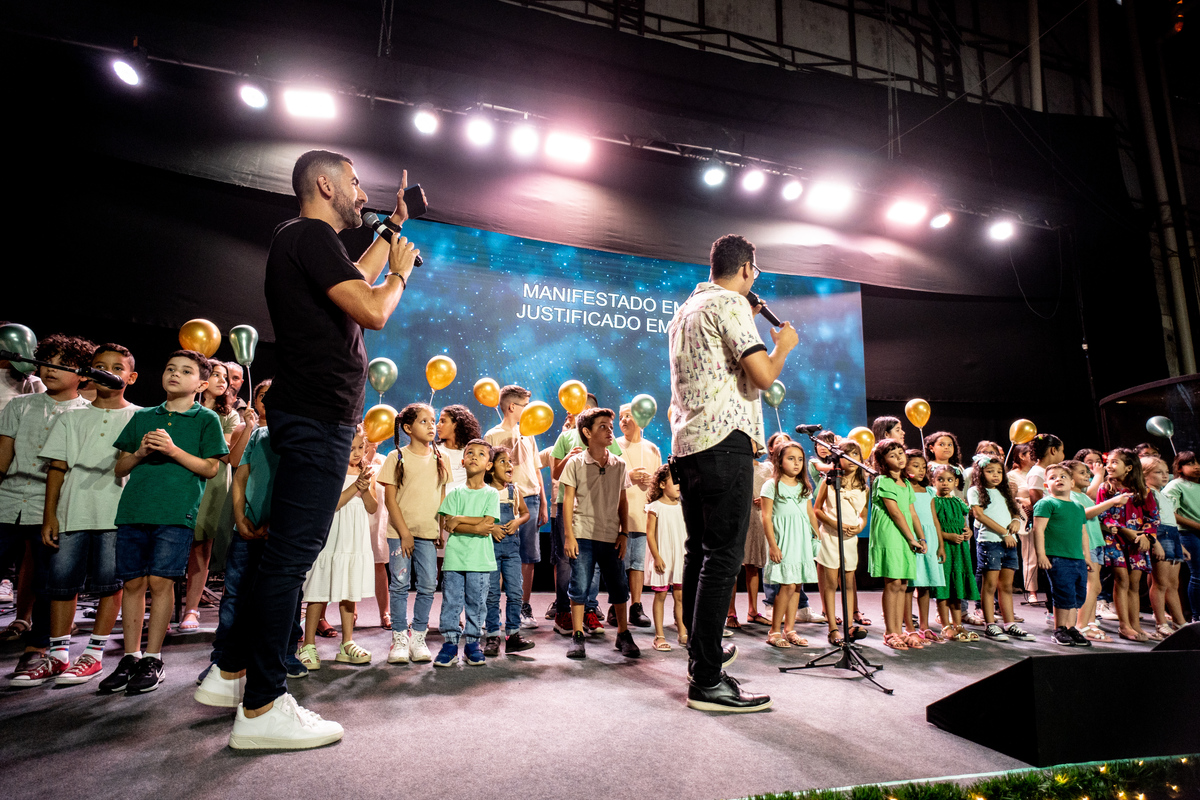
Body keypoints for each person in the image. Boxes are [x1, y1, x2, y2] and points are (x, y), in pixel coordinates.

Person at [196, 150, 419, 750]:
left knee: (281, 558)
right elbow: (373, 306)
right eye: (352, 181)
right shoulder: (310, 234)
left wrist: (394, 231)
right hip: (319, 418)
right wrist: (400, 272)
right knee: (292, 559)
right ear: (325, 183)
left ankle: (230, 672)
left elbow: (354, 279)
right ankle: (264, 704)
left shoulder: (305, 241)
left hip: (309, 412)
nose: (359, 191)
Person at [668, 233, 796, 713]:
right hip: (725, 444)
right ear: (746, 269)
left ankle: (702, 655)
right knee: (723, 557)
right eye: (754, 272)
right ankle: (706, 680)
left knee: (700, 554)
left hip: (690, 447)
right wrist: (783, 345)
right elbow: (763, 375)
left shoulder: (684, 311)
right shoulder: (731, 304)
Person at [99, 350, 228, 695]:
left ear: (200, 383)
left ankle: (153, 658)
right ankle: (131, 656)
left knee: (161, 582)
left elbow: (211, 468)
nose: (174, 374)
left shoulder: (205, 419)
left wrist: (172, 451)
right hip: (134, 511)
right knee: (132, 583)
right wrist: (140, 452)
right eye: (170, 368)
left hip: (175, 512)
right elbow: (121, 467)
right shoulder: (144, 417)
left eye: (185, 371)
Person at [33, 344, 139, 686]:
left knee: (111, 582)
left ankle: (93, 654)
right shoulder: (72, 417)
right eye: (99, 365)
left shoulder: (140, 416)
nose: (108, 371)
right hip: (73, 508)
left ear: (131, 377)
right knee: (61, 582)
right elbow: (57, 469)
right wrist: (50, 515)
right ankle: (58, 654)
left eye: (117, 367)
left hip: (117, 511)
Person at [196, 380, 309, 692]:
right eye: (263, 396)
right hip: (246, 530)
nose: (270, 400)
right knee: (236, 594)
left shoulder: (300, 438)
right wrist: (241, 517)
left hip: (284, 533)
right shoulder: (257, 435)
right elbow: (240, 475)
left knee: (289, 594)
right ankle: (224, 658)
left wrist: (279, 524)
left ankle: (286, 653)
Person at [0, 334, 92, 685]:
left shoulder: (85, 414)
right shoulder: (19, 406)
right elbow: (3, 459)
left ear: (82, 374)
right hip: (9, 498)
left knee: (46, 579)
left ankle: (38, 647)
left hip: (51, 505)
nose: (51, 369)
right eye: (47, 360)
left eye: (63, 364)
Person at [561, 407, 640, 660]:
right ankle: (577, 635)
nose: (609, 430)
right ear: (587, 432)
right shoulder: (575, 462)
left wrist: (624, 533)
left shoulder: (619, 464)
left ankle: (623, 633)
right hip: (583, 534)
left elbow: (623, 501)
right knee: (580, 585)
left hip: (610, 535)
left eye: (610, 426)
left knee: (618, 585)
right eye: (603, 426)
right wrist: (569, 535)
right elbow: (567, 500)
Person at [297, 426, 377, 669]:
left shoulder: (365, 471)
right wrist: (356, 487)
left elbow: (372, 508)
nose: (356, 453)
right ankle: (308, 644)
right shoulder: (331, 469)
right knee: (319, 589)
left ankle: (347, 642)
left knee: (349, 590)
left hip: (354, 536)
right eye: (350, 448)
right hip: (332, 533)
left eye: (360, 448)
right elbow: (332, 504)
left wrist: (364, 489)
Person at [380, 403, 449, 665]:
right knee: (399, 584)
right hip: (400, 534)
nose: (432, 426)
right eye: (424, 421)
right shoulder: (396, 457)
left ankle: (418, 636)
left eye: (433, 420)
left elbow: (441, 495)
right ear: (408, 428)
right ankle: (399, 637)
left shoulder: (440, 458)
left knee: (429, 584)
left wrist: (440, 528)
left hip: (428, 534)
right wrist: (405, 533)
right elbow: (390, 500)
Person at [179, 360, 241, 635]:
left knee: (202, 546)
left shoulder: (229, 415)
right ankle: (165, 604)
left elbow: (225, 452)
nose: (221, 381)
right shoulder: (181, 408)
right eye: (215, 375)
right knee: (173, 541)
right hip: (180, 477)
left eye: (225, 377)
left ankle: (191, 608)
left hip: (214, 481)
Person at [548, 394, 619, 634]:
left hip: (599, 510)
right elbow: (556, 473)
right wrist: (570, 457)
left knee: (594, 564)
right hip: (569, 508)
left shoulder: (608, 438)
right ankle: (563, 612)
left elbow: (616, 466)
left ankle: (590, 609)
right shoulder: (565, 436)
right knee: (567, 560)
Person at [434, 439, 502, 667]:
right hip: (454, 560)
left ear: (489, 465)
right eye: (470, 453)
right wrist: (475, 525)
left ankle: (472, 643)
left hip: (480, 561)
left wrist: (460, 518)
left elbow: (488, 524)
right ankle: (450, 643)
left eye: (481, 454)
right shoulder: (454, 493)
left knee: (477, 603)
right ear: (462, 461)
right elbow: (449, 525)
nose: (474, 456)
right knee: (451, 602)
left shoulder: (491, 493)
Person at [484, 385, 547, 630]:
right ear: (512, 407)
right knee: (500, 555)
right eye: (525, 406)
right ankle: (495, 608)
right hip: (503, 500)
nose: (528, 411)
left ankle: (523, 605)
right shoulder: (493, 435)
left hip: (529, 498)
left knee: (528, 556)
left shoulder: (528, 433)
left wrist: (542, 500)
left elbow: (535, 468)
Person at [967, 454, 1035, 643]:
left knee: (1005, 585)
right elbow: (979, 515)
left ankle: (1009, 623)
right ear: (981, 473)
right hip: (990, 541)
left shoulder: (1004, 492)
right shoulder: (975, 491)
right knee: (990, 585)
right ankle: (990, 624)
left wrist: (1014, 521)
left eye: (999, 472)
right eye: (990, 472)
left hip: (1009, 542)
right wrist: (1003, 533)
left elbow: (1014, 511)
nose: (995, 475)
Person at [868, 439, 926, 651]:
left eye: (901, 453)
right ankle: (890, 631)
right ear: (883, 461)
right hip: (891, 535)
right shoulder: (882, 481)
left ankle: (900, 630)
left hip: (906, 535)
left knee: (903, 584)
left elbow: (912, 513)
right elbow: (895, 512)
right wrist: (911, 538)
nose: (899, 458)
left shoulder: (906, 483)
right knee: (892, 584)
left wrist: (921, 538)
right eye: (892, 455)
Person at [761, 439, 819, 649]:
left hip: (801, 540)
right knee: (786, 585)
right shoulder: (771, 485)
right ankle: (774, 630)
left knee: (796, 585)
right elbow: (766, 517)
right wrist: (773, 545)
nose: (796, 463)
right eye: (791, 459)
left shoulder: (804, 486)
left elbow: (809, 512)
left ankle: (790, 629)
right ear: (779, 461)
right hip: (784, 540)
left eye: (800, 460)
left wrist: (816, 536)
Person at [1097, 448, 1158, 642]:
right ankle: (1124, 626)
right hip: (1115, 540)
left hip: (1137, 543)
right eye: (1109, 463)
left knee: (1134, 583)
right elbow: (1102, 515)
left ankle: (1136, 625)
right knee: (1121, 580)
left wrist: (1147, 537)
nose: (1109, 466)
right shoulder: (1105, 489)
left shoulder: (1144, 491)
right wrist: (1124, 531)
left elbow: (1153, 517)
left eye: (1115, 462)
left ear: (1129, 467)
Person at [814, 438, 869, 645]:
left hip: (850, 539)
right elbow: (817, 509)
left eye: (856, 455)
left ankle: (848, 628)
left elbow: (863, 513)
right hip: (830, 536)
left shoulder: (864, 486)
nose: (852, 459)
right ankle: (833, 628)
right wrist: (834, 523)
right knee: (830, 583)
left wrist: (861, 525)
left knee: (847, 583)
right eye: (847, 455)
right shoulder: (828, 481)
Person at [1066, 458, 1127, 641]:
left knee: (1095, 586)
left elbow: (1091, 517)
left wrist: (1106, 528)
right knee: (1092, 586)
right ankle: (1081, 625)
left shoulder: (1084, 496)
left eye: (1088, 473)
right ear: (1070, 477)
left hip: (1096, 542)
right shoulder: (1071, 495)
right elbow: (1082, 514)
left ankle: (1089, 622)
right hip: (1086, 545)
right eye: (1082, 473)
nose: (1087, 476)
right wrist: (1112, 502)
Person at [483, 445, 536, 656]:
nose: (508, 465)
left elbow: (524, 513)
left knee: (515, 591)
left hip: (512, 549)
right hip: (490, 548)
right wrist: (491, 527)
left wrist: (517, 522)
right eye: (502, 461)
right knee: (492, 593)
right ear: (490, 467)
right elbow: (477, 518)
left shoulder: (514, 491)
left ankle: (513, 635)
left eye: (510, 461)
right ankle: (493, 635)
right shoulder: (484, 492)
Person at [1033, 463, 1094, 647]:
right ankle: (1059, 628)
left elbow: (1083, 533)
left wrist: (1087, 556)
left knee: (1077, 595)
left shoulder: (1077, 506)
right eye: (1052, 477)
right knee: (1063, 592)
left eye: (1063, 476)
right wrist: (1041, 555)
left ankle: (1070, 627)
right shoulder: (1046, 503)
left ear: (1072, 482)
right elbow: (1038, 530)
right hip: (1057, 556)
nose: (1058, 479)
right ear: (1046, 485)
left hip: (1077, 558)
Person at [613, 402, 661, 629]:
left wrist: (653, 483)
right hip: (619, 515)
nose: (623, 421)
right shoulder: (613, 446)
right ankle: (617, 606)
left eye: (628, 416)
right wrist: (629, 475)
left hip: (642, 515)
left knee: (637, 564)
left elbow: (660, 483)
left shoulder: (651, 448)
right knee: (619, 564)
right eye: (620, 417)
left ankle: (636, 606)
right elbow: (606, 478)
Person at [1142, 456, 1188, 636]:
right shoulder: (1147, 493)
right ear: (1144, 475)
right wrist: (1156, 542)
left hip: (1172, 535)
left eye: (1165, 472)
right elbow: (1149, 521)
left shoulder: (1161, 493)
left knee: (1173, 583)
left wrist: (1180, 545)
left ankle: (1179, 621)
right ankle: (1161, 622)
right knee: (1160, 583)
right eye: (1158, 472)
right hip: (1160, 535)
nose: (1164, 476)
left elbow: (1170, 520)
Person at [902, 449, 944, 645]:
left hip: (931, 539)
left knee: (925, 585)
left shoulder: (928, 491)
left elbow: (935, 520)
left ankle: (924, 626)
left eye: (923, 467)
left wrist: (940, 545)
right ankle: (909, 627)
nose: (921, 470)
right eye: (915, 466)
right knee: (910, 585)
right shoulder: (903, 488)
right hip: (913, 538)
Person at [645, 464, 686, 651]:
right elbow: (650, 535)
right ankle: (659, 635)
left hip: (680, 557)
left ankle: (683, 632)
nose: (679, 485)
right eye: (674, 481)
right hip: (663, 557)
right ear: (662, 484)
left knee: (680, 596)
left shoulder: (683, 506)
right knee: (660, 594)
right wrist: (657, 557)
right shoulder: (655, 507)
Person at [1164, 452, 1200, 623]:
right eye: (1191, 463)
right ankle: (1197, 616)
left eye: (1198, 463)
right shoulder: (1176, 485)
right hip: (1188, 533)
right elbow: (1170, 512)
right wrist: (1197, 526)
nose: (1197, 466)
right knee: (1198, 574)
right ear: (1179, 467)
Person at [437, 404, 481, 489]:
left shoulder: (471, 453)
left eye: (443, 421)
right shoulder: (434, 450)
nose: (437, 425)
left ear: (456, 424)